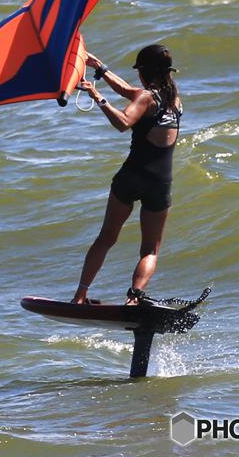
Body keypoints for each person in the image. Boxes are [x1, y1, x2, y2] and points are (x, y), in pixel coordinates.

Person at [71, 43, 182, 306]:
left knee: (106, 238)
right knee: (150, 250)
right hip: (159, 185)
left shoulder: (145, 98)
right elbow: (126, 90)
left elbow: (123, 123)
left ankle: (80, 296)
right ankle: (134, 299)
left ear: (143, 73)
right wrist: (100, 67)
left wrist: (97, 96)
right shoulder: (174, 101)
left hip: (131, 177)